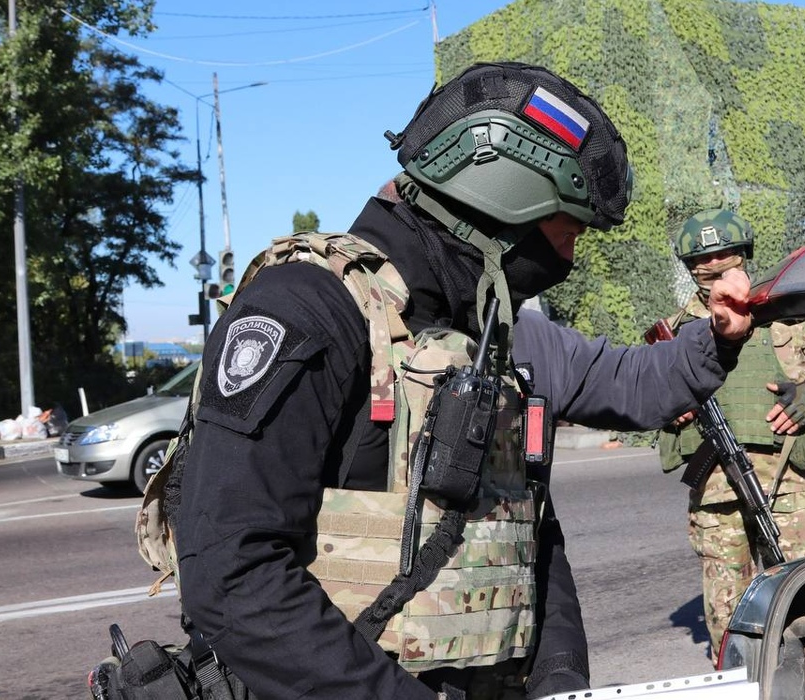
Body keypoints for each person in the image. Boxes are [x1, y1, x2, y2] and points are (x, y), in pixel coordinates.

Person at [164, 63, 753, 700]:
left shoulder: (494, 333)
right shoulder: (308, 310)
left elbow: (535, 516)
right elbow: (233, 576)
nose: (569, 258)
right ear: (501, 203)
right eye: (566, 233)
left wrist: (560, 677)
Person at [655, 209, 805, 661]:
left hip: (789, 485)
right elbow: (646, 398)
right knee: (727, 614)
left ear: (744, 255)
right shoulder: (677, 330)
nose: (714, 264)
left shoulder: (783, 315)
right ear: (689, 267)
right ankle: (737, 681)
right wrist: (671, 409)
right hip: (716, 493)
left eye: (725, 254)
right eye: (702, 259)